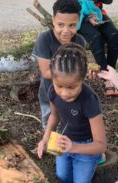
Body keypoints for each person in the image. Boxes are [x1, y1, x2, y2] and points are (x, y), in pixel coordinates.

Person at [37, 43, 107, 183]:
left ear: (83, 79)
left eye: (72, 87)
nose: (64, 93)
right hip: (63, 141)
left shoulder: (89, 100)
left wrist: (74, 147)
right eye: (59, 85)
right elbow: (54, 115)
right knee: (62, 180)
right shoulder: (52, 91)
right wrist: (45, 139)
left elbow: (101, 145)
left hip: (86, 147)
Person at [32, 0, 86, 129]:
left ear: (78, 22)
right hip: (49, 91)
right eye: (61, 25)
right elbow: (45, 72)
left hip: (73, 92)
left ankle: (68, 144)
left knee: (70, 121)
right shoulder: (44, 39)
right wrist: (73, 75)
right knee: (50, 119)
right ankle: (48, 144)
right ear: (53, 20)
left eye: (72, 25)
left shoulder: (80, 41)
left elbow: (81, 68)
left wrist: (85, 73)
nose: (66, 31)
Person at [78, 0, 118, 96]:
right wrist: (87, 18)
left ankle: (111, 72)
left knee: (114, 35)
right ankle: (107, 79)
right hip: (77, 15)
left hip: (96, 12)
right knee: (96, 37)